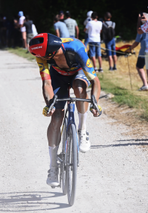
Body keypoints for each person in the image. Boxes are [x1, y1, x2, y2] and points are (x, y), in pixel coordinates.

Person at [28, 33, 102, 187]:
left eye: (44, 57)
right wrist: (50, 104)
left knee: (79, 87)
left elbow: (95, 79)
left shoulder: (76, 48)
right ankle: (53, 167)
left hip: (78, 72)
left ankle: (83, 131)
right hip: (58, 77)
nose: (40, 59)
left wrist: (95, 102)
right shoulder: (42, 55)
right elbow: (47, 83)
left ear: (51, 54)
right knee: (56, 118)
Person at [126, 12, 148, 91]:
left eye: (143, 18)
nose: (142, 19)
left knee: (139, 67)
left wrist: (130, 49)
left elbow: (136, 42)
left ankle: (145, 84)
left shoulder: (143, 27)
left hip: (144, 51)